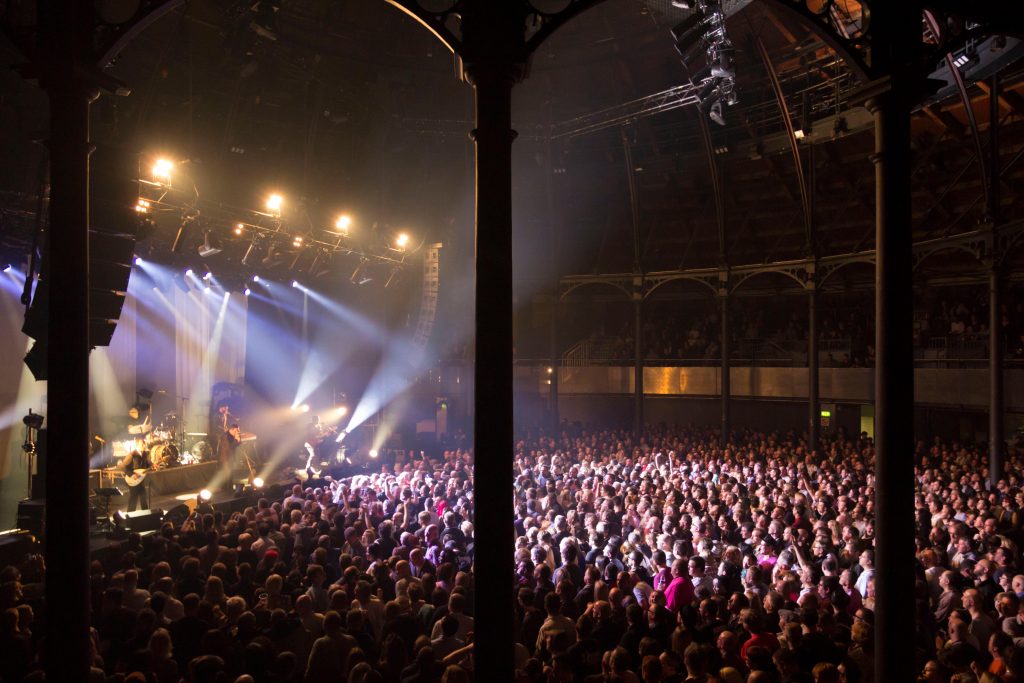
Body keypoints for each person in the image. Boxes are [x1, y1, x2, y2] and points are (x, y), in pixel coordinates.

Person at [120, 445, 152, 512]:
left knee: (143, 496)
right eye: (142, 443)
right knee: (133, 497)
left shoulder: (144, 454)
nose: (144, 445)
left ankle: (146, 514)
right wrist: (132, 474)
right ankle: (129, 515)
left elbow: (147, 466)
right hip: (132, 479)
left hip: (140, 479)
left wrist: (153, 467)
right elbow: (123, 466)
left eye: (144, 443)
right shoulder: (132, 454)